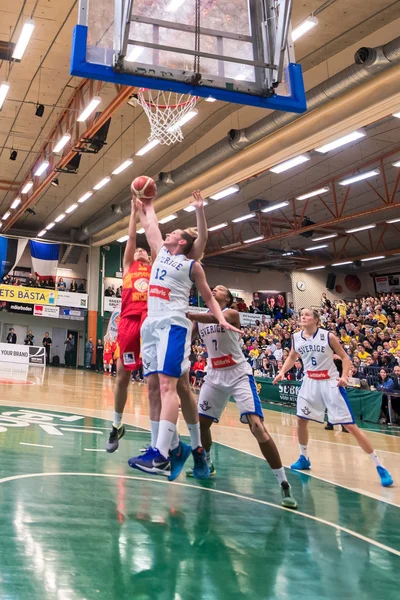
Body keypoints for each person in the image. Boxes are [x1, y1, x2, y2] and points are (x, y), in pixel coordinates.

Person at [128, 193, 241, 481]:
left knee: (171, 387)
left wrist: (220, 319)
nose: (169, 232)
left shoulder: (192, 265)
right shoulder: (161, 252)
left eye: (175, 232)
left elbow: (208, 297)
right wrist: (144, 203)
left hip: (174, 326)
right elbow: (151, 223)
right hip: (152, 326)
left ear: (181, 243)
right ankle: (161, 446)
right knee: (153, 387)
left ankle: (164, 455)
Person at [185, 285, 297, 509]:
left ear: (227, 298)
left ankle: (283, 483)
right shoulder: (202, 318)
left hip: (238, 374)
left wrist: (183, 311)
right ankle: (207, 462)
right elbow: (189, 338)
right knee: (201, 424)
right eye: (212, 288)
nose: (214, 290)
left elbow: (211, 318)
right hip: (214, 375)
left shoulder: (230, 314)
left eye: (219, 289)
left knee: (257, 427)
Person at [273, 308, 393, 487]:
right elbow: (292, 356)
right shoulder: (296, 337)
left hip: (330, 382)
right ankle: (304, 457)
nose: (303, 317)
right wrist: (283, 371)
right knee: (301, 420)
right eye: (301, 315)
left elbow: (345, 358)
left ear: (316, 320)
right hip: (310, 382)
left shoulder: (328, 337)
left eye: (306, 314)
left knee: (350, 426)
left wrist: (344, 376)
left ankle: (380, 466)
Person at [105, 198, 152, 451]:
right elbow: (131, 238)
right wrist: (133, 213)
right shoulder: (127, 267)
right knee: (122, 376)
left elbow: (146, 242)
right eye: (136, 250)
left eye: (143, 250)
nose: (138, 251)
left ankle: (161, 438)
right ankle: (117, 425)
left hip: (149, 320)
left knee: (156, 379)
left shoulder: (155, 270)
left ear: (150, 256)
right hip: (129, 322)